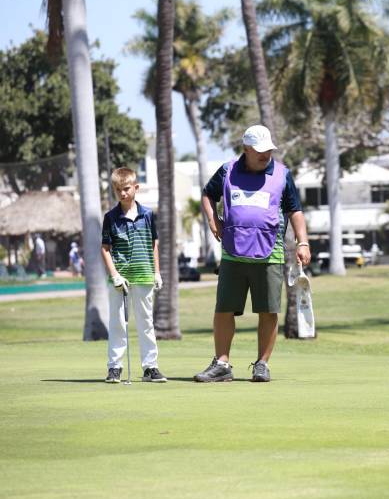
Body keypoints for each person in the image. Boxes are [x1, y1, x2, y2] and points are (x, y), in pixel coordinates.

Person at [194, 124, 311, 383]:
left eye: (268, 150)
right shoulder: (227, 171)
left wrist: (303, 242)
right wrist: (214, 222)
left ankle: (262, 364)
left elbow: (295, 211)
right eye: (259, 151)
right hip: (233, 255)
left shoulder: (282, 174)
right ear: (245, 149)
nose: (265, 155)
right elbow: (207, 194)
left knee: (268, 311)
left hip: (269, 254)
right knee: (224, 309)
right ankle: (222, 364)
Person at [100, 167, 166, 384]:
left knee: (146, 322)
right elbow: (105, 248)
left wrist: (157, 271)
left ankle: (150, 367)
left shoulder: (147, 214)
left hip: (144, 274)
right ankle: (115, 367)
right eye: (118, 190)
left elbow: (153, 244)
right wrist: (115, 275)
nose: (122, 193)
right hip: (120, 278)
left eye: (126, 188)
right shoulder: (110, 217)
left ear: (136, 188)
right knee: (118, 322)